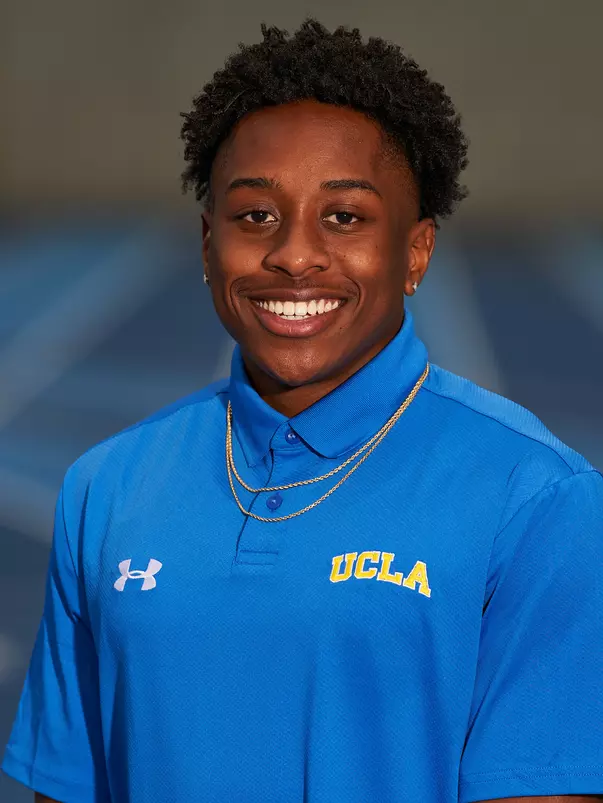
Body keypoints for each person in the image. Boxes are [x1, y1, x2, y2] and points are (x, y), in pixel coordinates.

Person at [2, 18, 602, 803]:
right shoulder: (106, 487)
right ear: (207, 239)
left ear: (415, 251)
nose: (293, 253)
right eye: (255, 215)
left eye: (344, 217)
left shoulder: (535, 495)